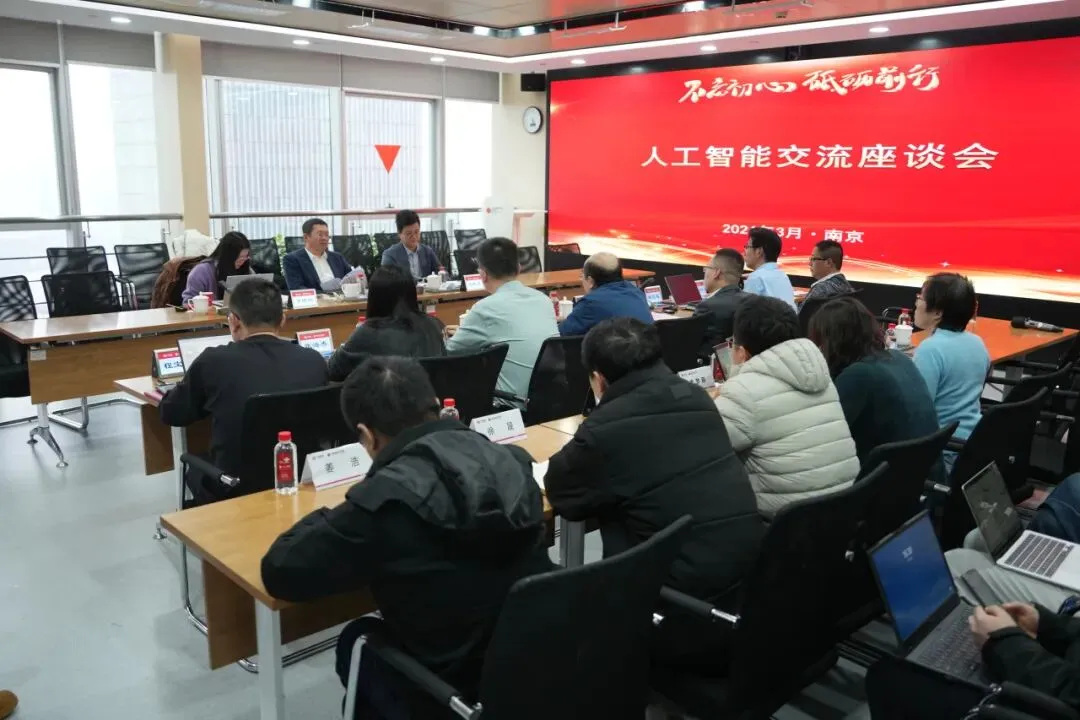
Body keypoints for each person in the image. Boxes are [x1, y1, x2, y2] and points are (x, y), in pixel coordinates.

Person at [262, 357, 552, 720]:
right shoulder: (513, 460)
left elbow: (280, 570)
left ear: (367, 436)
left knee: (357, 639)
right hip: (537, 669)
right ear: (436, 406)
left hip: (451, 696)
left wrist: (344, 507)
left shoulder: (385, 501)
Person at [545, 317, 763, 668]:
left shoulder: (606, 428)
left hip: (678, 612)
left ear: (598, 378)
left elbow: (562, 492)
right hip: (748, 591)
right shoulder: (697, 397)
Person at [160, 279, 329, 505]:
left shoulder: (213, 361)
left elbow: (172, 413)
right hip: (300, 480)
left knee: (197, 466)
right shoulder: (313, 360)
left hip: (233, 486)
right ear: (283, 319)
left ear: (234, 321)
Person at [714, 295, 859, 515]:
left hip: (782, 521)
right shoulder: (819, 374)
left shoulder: (743, 391)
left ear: (742, 352)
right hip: (843, 510)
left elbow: (705, 449)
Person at [807, 297, 943, 480]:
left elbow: (823, 438)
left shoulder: (858, 375)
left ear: (832, 342)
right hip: (925, 479)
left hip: (887, 484)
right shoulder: (899, 358)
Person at [445, 237, 558, 401]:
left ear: (483, 275)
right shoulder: (544, 300)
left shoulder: (486, 308)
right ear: (519, 269)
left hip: (511, 403)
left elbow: (450, 350)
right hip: (552, 399)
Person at [912, 273, 990, 462]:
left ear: (938, 313)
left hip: (943, 452)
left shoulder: (930, 349)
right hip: (973, 444)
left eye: (920, 297)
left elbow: (919, 411)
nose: (916, 303)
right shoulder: (978, 343)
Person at [328, 265, 445, 382]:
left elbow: (333, 370)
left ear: (374, 298)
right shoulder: (433, 324)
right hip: (433, 392)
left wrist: (349, 341)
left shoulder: (369, 332)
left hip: (392, 393)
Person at [558, 252, 652, 336]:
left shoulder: (591, 303)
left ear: (590, 281)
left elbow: (561, 332)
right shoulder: (637, 293)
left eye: (582, 276)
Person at [693, 248, 750, 353]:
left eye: (706, 269)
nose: (705, 273)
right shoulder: (753, 300)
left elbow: (690, 343)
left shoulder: (707, 306)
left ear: (716, 273)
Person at [180, 231, 252, 303]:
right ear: (227, 256)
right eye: (239, 257)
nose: (242, 261)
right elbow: (188, 302)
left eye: (245, 257)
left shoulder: (245, 268)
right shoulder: (201, 272)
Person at [283, 217, 352, 292]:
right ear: (306, 237)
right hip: (315, 299)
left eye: (327, 234)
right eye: (320, 234)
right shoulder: (292, 259)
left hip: (343, 298)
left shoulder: (337, 257)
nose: (324, 238)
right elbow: (296, 288)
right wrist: (325, 295)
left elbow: (350, 278)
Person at [742, 227, 796, 311]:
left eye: (747, 247)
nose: (744, 252)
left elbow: (744, 311)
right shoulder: (783, 275)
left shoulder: (756, 278)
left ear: (759, 251)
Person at [380, 209, 440, 280]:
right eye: (409, 233)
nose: (414, 236)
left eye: (416, 232)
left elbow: (441, 273)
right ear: (399, 234)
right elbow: (386, 281)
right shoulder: (390, 255)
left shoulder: (428, 251)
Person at [800, 239, 854, 312]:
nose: (810, 263)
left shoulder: (821, 289)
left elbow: (798, 316)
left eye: (813, 259)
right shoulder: (845, 285)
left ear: (828, 262)